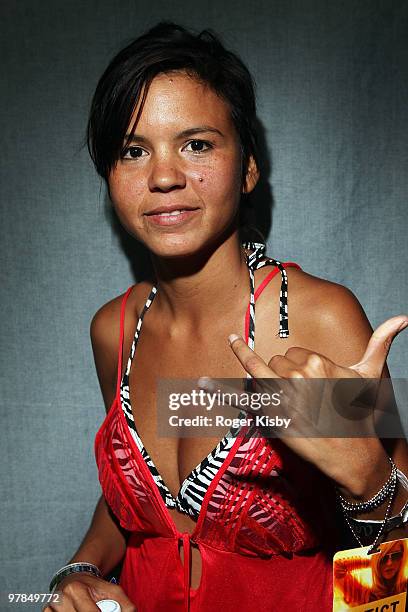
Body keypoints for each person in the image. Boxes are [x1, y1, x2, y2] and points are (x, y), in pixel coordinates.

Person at [44, 21, 408, 612]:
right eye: (134, 151)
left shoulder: (316, 319)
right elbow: (134, 506)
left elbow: (396, 566)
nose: (164, 176)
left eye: (197, 144)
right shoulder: (114, 330)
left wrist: (369, 484)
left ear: (247, 168)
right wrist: (80, 568)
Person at [334, 538, 408, 605]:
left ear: (403, 557)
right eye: (383, 558)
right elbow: (338, 566)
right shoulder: (364, 597)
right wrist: (374, 562)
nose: (389, 563)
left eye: (396, 556)